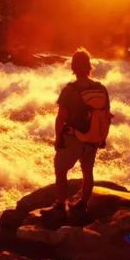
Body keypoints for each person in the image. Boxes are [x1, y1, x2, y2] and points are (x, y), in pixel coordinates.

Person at [44, 48, 111, 220]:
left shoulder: (70, 90)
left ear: (73, 67)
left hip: (73, 137)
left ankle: (60, 206)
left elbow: (61, 118)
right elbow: (106, 116)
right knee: (87, 171)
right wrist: (102, 137)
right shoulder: (100, 88)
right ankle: (82, 204)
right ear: (90, 67)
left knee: (61, 170)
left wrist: (58, 138)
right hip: (92, 138)